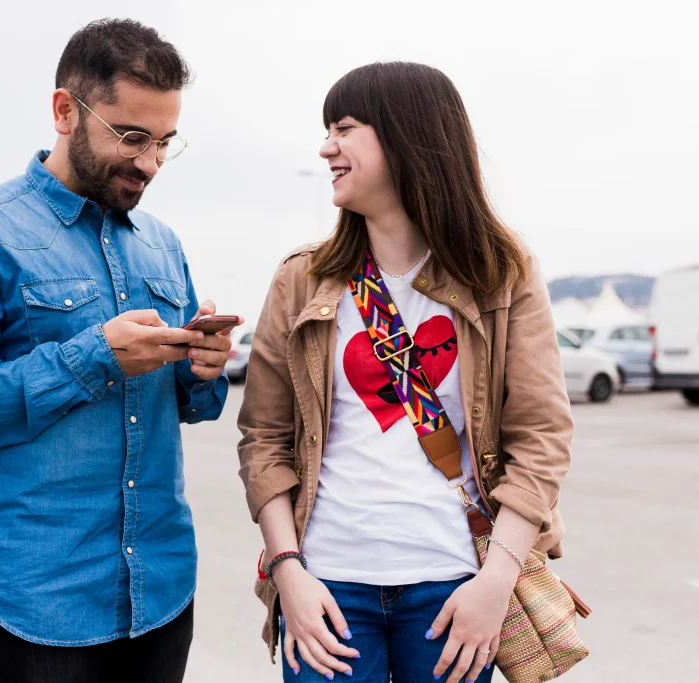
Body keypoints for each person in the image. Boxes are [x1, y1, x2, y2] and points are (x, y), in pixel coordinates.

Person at [0, 18, 239, 683]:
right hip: (35, 601)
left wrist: (203, 369)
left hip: (163, 590)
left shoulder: (162, 244)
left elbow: (193, 406)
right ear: (65, 110)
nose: (150, 162)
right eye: (132, 136)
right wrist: (94, 358)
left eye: (166, 141)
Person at [237, 62, 574, 683]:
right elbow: (264, 440)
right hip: (327, 590)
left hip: (455, 589)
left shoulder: (502, 272)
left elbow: (541, 437)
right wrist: (288, 572)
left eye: (343, 128)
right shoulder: (300, 279)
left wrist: (495, 584)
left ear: (405, 138)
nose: (325, 147)